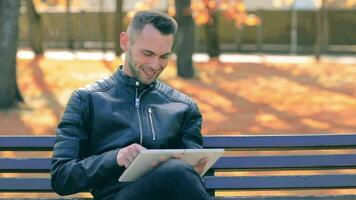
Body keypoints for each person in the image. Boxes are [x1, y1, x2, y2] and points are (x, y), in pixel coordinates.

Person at [51, 10, 212, 200]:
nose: (155, 65)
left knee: (176, 170)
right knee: (175, 169)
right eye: (148, 53)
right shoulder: (87, 100)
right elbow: (62, 177)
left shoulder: (183, 106)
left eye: (164, 56)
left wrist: (194, 170)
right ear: (125, 42)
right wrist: (115, 158)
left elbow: (191, 180)